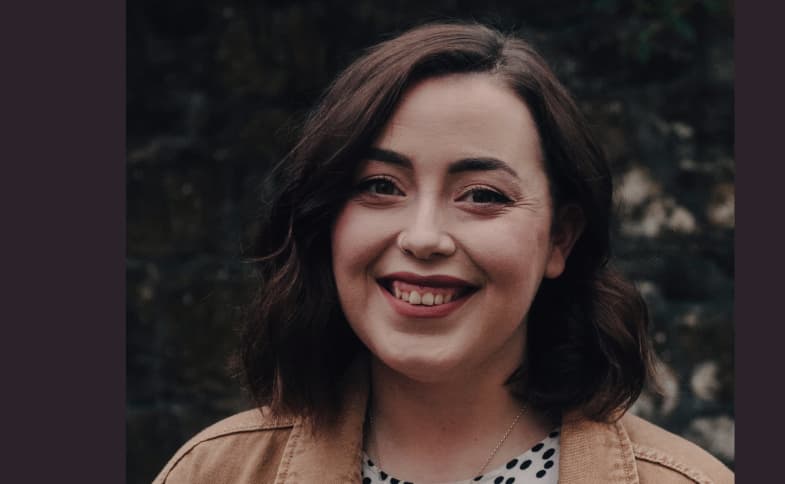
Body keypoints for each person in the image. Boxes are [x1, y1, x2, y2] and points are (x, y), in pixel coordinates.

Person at [154, 22, 733, 484]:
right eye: (381, 185)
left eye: (482, 195)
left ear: (561, 238)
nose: (423, 236)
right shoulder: (215, 474)